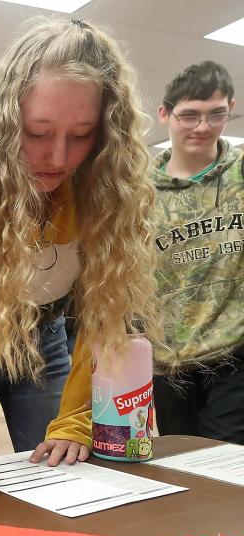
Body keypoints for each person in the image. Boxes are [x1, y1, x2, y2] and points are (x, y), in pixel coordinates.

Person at [0, 18, 159, 468]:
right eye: (37, 132)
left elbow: (101, 323)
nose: (58, 157)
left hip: (44, 338)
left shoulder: (102, 203)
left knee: (58, 465)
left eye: (82, 135)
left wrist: (75, 420)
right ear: (7, 123)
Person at [149, 61, 244, 442]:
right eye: (189, 115)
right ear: (165, 114)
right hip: (170, 362)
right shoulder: (138, 194)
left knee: (226, 464)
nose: (202, 127)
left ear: (231, 109)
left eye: (216, 114)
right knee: (183, 464)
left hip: (235, 355)